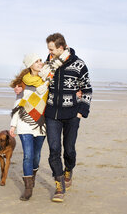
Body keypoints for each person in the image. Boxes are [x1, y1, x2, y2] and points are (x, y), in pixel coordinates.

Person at [15, 33, 92, 202]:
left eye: (51, 49)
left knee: (69, 150)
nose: (48, 52)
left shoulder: (79, 65)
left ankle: (68, 170)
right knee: (54, 151)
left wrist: (81, 112)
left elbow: (87, 89)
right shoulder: (48, 65)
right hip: (51, 115)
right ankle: (59, 186)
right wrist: (20, 87)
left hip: (72, 114)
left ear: (60, 48)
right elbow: (33, 78)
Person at [9, 51, 71, 201]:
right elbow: (18, 103)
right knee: (28, 155)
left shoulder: (47, 79)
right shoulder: (24, 82)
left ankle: (33, 176)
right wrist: (13, 125)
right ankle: (28, 188)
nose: (40, 63)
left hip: (41, 123)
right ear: (31, 65)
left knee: (36, 156)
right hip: (25, 121)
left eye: (40, 60)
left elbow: (57, 65)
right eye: (37, 61)